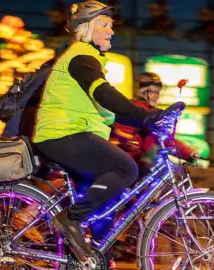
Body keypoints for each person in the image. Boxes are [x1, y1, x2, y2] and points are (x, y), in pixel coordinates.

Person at [31, 0, 184, 263]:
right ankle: (70, 220)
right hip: (63, 134)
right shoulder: (80, 57)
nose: (111, 31)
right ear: (86, 28)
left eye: (111, 26)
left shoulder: (86, 58)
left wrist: (145, 119)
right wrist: (149, 116)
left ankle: (91, 259)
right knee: (126, 169)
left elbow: (115, 109)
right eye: (104, 25)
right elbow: (105, 95)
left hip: (72, 134)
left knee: (104, 204)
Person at [110, 71, 197, 173]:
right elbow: (164, 137)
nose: (156, 96)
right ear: (141, 92)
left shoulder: (136, 107)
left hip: (129, 160)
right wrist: (189, 153)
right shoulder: (141, 110)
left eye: (158, 92)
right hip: (126, 161)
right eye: (152, 92)